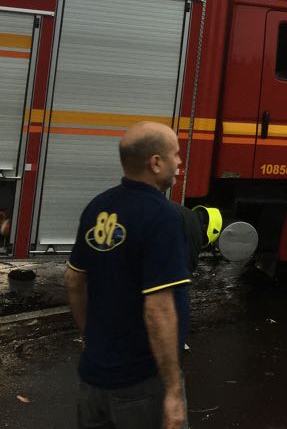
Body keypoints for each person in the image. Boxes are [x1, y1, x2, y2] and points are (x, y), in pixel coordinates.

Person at [64, 122, 191, 429]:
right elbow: (158, 308)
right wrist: (173, 390)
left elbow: (73, 279)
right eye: (176, 154)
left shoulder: (98, 206)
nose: (180, 162)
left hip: (92, 380)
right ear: (156, 162)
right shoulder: (163, 217)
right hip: (140, 385)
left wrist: (90, 338)